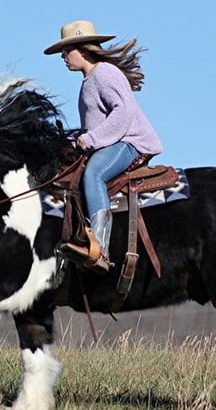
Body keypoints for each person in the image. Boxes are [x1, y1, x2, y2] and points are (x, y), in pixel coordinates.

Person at [44, 20, 163, 271]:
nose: (63, 57)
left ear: (83, 49)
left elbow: (124, 111)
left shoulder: (104, 73)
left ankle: (99, 248)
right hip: (114, 142)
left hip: (131, 141)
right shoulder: (88, 81)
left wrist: (92, 140)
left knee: (94, 173)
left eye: (66, 51)